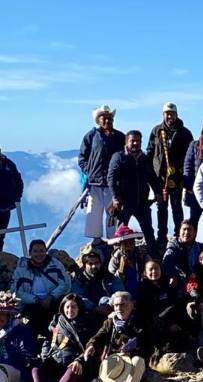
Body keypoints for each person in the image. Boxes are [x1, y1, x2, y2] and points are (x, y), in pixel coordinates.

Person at [78, 291, 148, 382]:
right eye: (116, 305)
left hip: (132, 362)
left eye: (123, 305)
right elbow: (98, 337)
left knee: (138, 361)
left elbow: (149, 345)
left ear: (131, 305)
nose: (119, 308)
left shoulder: (140, 322)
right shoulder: (110, 323)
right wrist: (91, 346)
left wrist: (133, 349)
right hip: (114, 365)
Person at [33, 294, 97, 382]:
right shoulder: (58, 322)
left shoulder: (87, 323)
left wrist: (79, 360)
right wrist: (44, 356)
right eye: (67, 307)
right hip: (57, 359)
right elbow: (49, 341)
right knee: (36, 369)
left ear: (79, 308)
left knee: (74, 368)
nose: (70, 310)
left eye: (74, 307)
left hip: (77, 362)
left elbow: (91, 347)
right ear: (62, 308)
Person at [108, 130, 163, 257]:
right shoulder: (119, 157)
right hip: (124, 202)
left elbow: (152, 177)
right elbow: (111, 178)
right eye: (132, 141)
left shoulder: (144, 158)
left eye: (138, 141)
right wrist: (115, 197)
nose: (135, 143)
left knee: (148, 231)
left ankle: (154, 258)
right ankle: (118, 259)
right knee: (120, 233)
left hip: (142, 202)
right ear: (126, 142)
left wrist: (157, 192)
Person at [146, 102, 194, 244]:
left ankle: (179, 234)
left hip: (177, 177)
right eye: (167, 114)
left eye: (172, 114)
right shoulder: (156, 131)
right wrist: (150, 174)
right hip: (160, 177)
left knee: (176, 206)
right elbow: (150, 152)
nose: (169, 116)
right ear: (163, 115)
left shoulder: (185, 133)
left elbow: (190, 155)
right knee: (161, 207)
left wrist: (186, 176)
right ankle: (161, 236)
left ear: (176, 115)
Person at [79, 105, 126, 241]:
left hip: (113, 183)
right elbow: (82, 157)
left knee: (113, 212)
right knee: (94, 212)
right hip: (95, 182)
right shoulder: (91, 136)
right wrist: (89, 171)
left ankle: (114, 239)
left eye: (109, 118)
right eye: (104, 118)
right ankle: (96, 241)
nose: (107, 120)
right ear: (98, 120)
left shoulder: (120, 137)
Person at [12, 239, 71, 337]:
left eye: (42, 251)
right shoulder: (21, 269)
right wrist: (36, 300)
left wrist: (51, 297)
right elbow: (17, 292)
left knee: (65, 311)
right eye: (35, 251)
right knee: (26, 322)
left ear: (46, 251)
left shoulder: (55, 264)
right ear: (30, 253)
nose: (39, 254)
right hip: (31, 305)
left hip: (54, 301)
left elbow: (65, 284)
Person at [137, 260, 186, 354]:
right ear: (145, 272)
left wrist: (174, 323)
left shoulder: (167, 286)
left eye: (156, 268)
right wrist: (166, 326)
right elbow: (145, 313)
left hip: (172, 322)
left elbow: (175, 305)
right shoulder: (143, 289)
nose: (154, 271)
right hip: (154, 326)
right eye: (151, 269)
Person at [71, 247, 124, 317]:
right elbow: (79, 298)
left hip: (112, 309)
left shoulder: (109, 276)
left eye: (96, 263)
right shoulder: (79, 280)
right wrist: (95, 308)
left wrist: (110, 304)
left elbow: (119, 292)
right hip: (89, 313)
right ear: (84, 265)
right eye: (90, 263)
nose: (94, 266)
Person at [107, 226, 150, 298]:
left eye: (131, 242)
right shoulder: (116, 258)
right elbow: (112, 276)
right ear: (120, 244)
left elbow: (151, 265)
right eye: (125, 243)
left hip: (142, 292)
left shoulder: (141, 254)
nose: (128, 245)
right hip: (123, 295)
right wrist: (121, 267)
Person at [162, 219, 203, 290]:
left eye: (189, 229)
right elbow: (167, 261)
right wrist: (171, 275)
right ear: (179, 231)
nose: (186, 232)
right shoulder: (174, 244)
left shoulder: (201, 247)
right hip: (180, 282)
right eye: (184, 229)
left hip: (197, 282)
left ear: (195, 233)